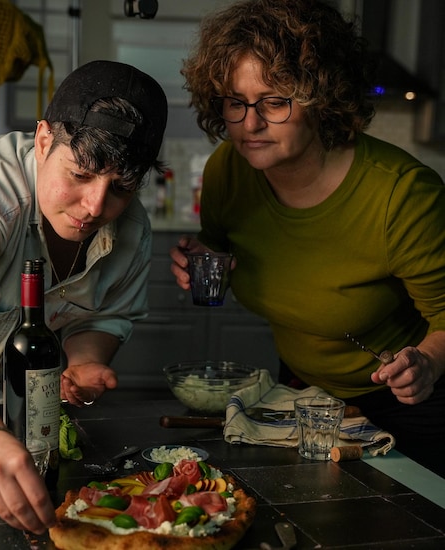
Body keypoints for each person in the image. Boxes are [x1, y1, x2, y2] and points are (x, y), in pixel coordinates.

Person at [170, 0, 445, 477]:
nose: (250, 124)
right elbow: (226, 250)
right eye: (236, 102)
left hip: (406, 404)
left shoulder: (402, 195)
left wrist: (426, 362)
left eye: (274, 102)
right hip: (301, 394)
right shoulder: (227, 171)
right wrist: (205, 258)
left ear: (323, 98)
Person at [0, 60, 167, 532]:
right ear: (43, 140)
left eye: (121, 188)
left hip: (9, 430)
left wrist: (83, 362)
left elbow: (100, 319)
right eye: (81, 175)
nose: (97, 207)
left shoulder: (132, 226)